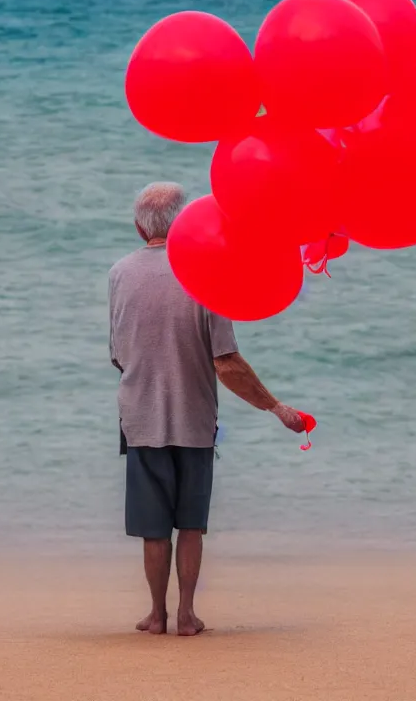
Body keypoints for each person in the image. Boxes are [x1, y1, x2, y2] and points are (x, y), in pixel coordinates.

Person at [108, 182, 306, 637]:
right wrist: (276, 407)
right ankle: (186, 616)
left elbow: (118, 353)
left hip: (139, 418)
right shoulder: (207, 273)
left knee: (153, 529)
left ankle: (156, 614)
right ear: (184, 223)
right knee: (191, 525)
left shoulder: (119, 273)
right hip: (195, 419)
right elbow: (226, 361)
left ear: (140, 228)